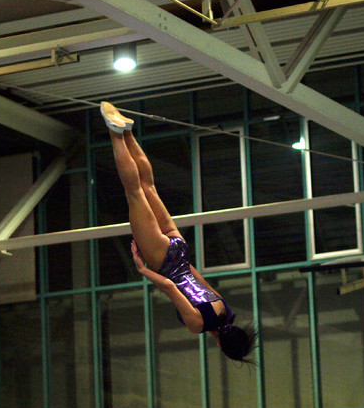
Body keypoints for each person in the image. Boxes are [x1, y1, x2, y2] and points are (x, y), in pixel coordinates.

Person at [101, 101, 256, 363]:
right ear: (222, 347)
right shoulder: (198, 325)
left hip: (180, 251)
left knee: (148, 187)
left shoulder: (224, 310)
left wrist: (178, 257)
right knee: (134, 192)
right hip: (163, 262)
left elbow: (197, 277)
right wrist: (142, 270)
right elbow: (170, 287)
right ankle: (116, 133)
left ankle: (127, 132)